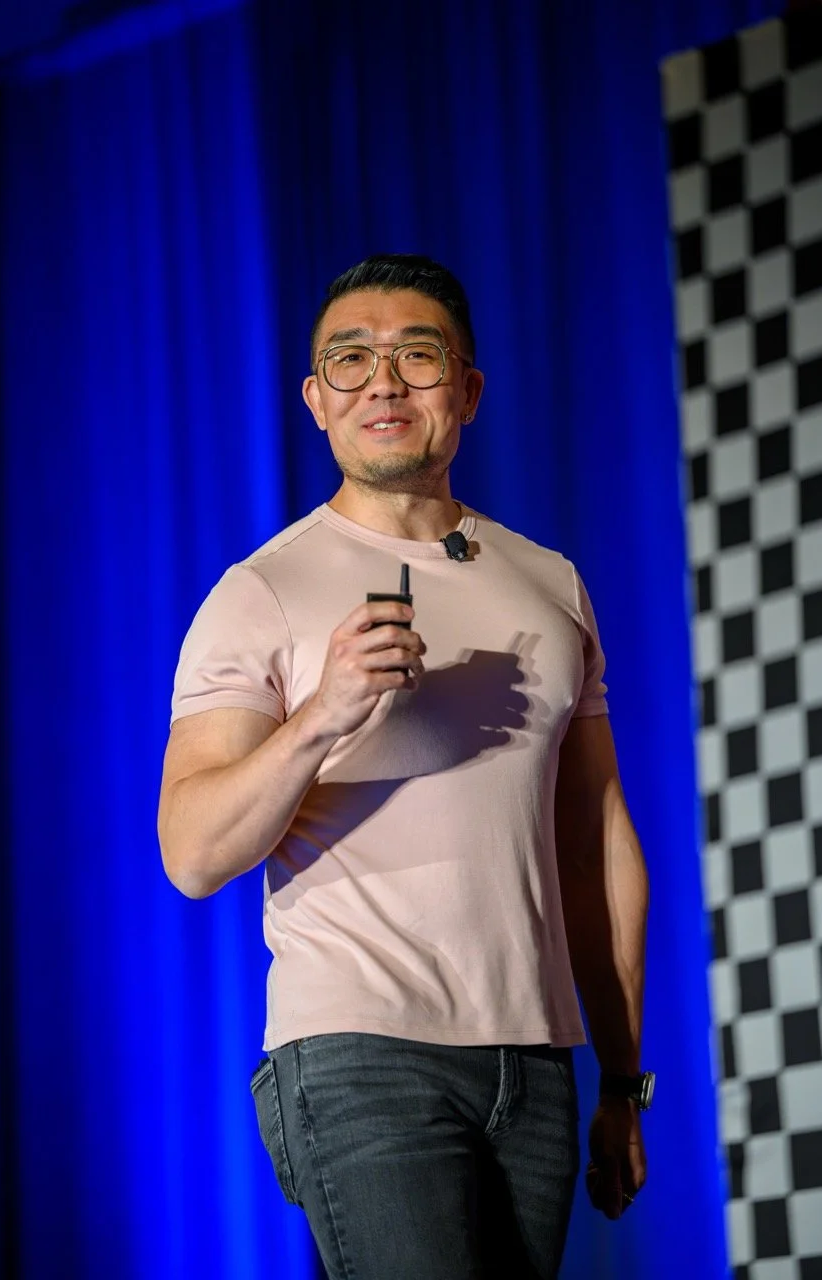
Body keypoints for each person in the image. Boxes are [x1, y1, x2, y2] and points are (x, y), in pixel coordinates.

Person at [158, 254, 651, 1279]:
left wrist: (619, 1077)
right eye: (349, 359)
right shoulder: (262, 590)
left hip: (535, 1060)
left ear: (465, 389)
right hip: (359, 1053)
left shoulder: (548, 580)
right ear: (315, 401)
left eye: (415, 355)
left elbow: (595, 835)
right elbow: (193, 853)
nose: (382, 381)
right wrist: (321, 717)